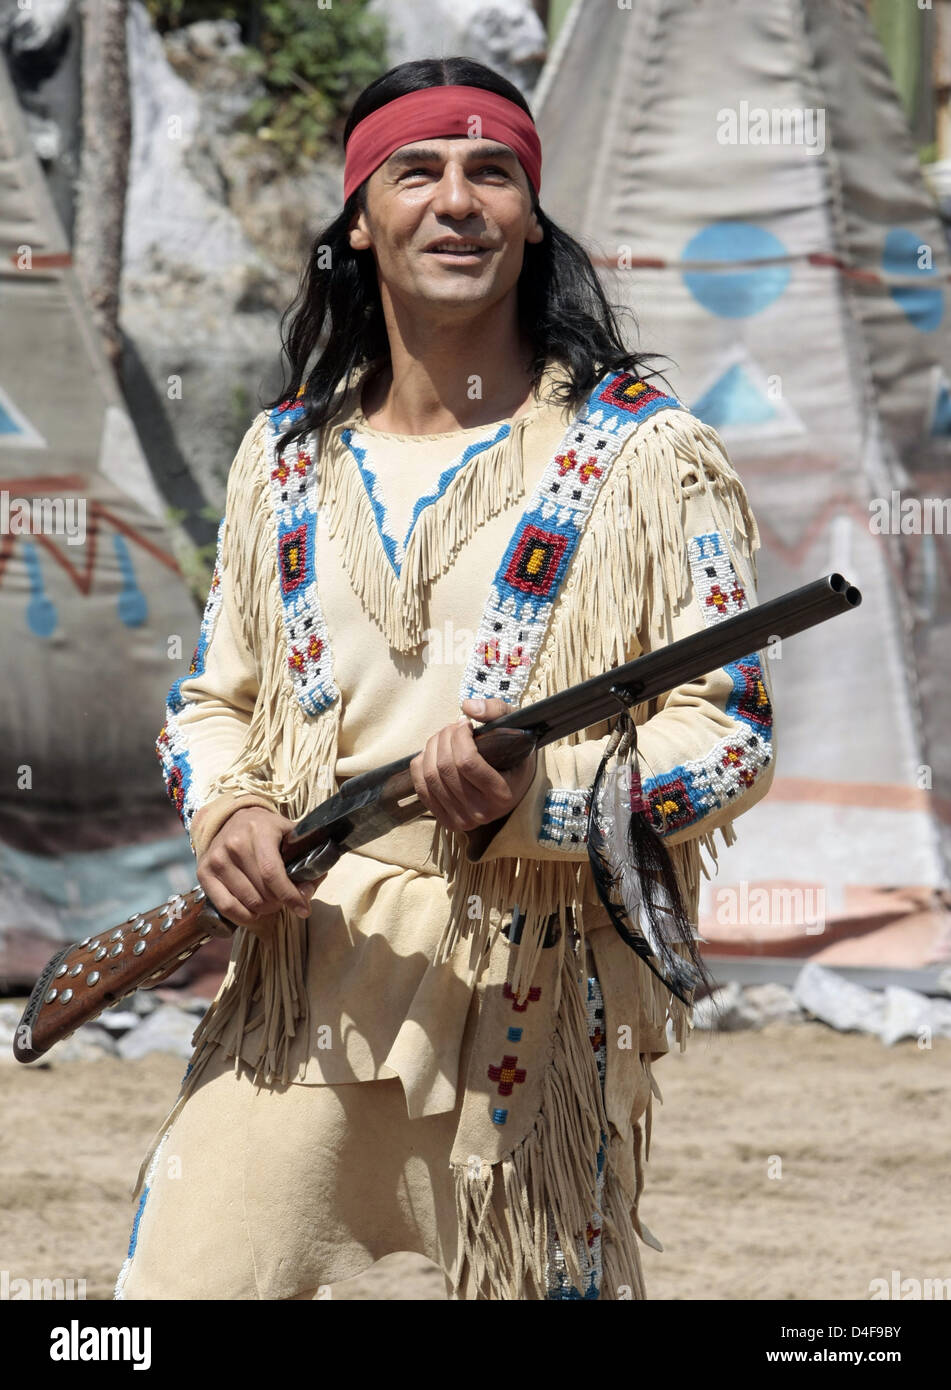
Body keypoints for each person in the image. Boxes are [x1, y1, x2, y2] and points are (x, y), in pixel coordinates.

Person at [115, 56, 775, 1302]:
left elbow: (732, 733)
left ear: (533, 216)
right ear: (359, 222)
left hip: (531, 1008)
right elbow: (211, 698)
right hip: (301, 980)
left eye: (494, 173)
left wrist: (536, 796)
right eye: (417, 171)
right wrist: (231, 809)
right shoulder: (284, 455)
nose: (458, 201)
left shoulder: (650, 454)